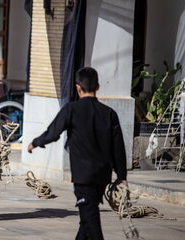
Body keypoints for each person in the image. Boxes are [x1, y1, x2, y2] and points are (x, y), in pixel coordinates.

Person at [27, 67, 127, 240]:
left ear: (77, 87)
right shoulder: (109, 114)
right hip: (102, 176)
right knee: (86, 219)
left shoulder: (72, 109)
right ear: (98, 86)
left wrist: (35, 143)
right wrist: (122, 174)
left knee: (91, 218)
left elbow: (53, 132)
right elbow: (118, 148)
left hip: (83, 177)